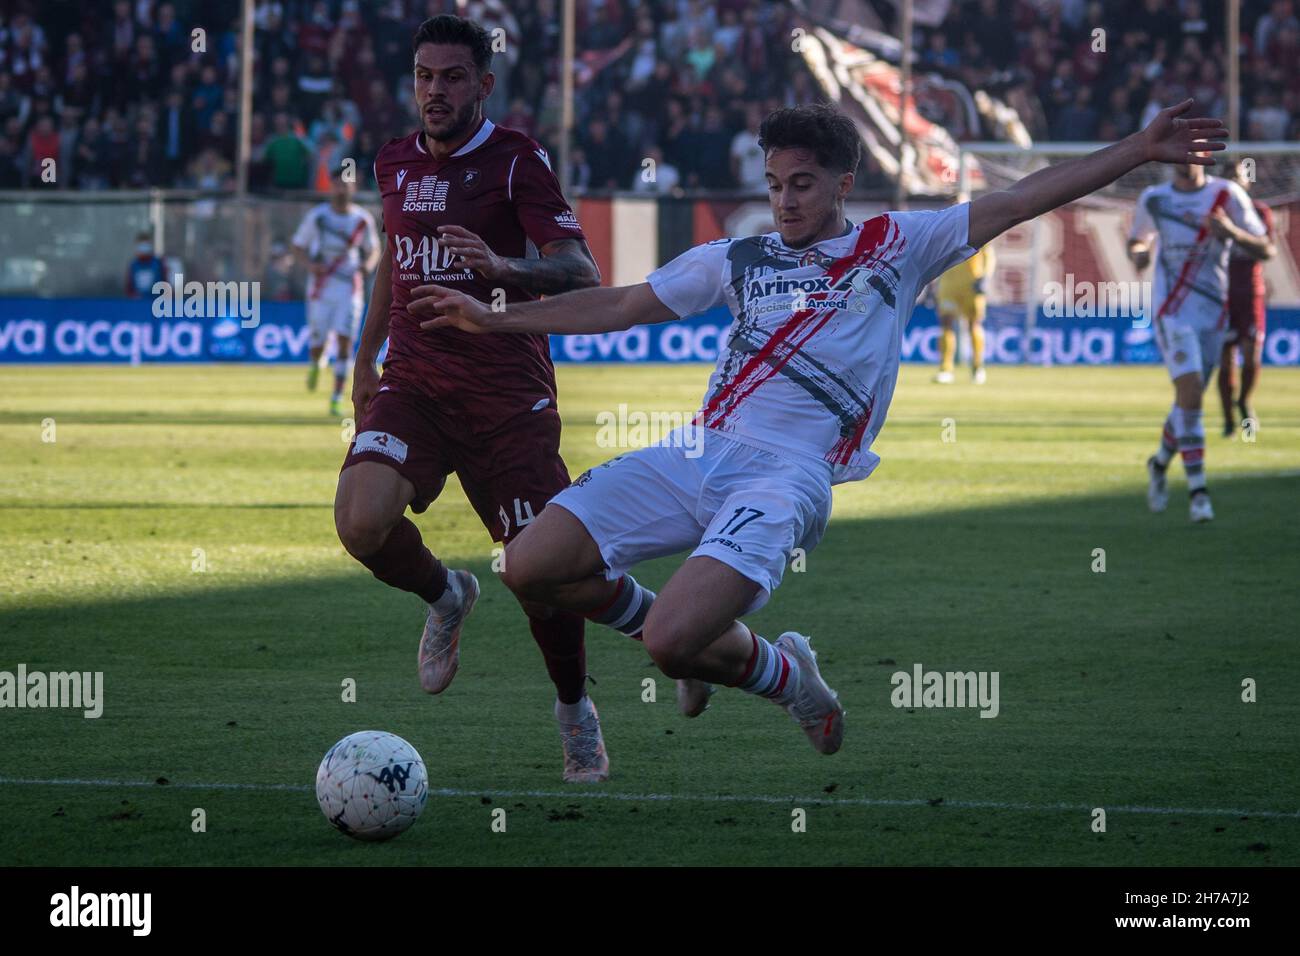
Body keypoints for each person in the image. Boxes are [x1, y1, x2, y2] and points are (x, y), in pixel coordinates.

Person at [409, 99, 1230, 755]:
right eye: (774, 183)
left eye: (802, 183)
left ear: (843, 182)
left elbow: (1022, 198)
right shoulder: (738, 256)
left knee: (669, 644)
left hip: (786, 476)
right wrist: (494, 317)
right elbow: (622, 305)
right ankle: (706, 639)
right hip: (698, 451)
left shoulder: (897, 245)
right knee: (530, 565)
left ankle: (787, 677)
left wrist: (1138, 147)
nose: (784, 199)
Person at [332, 15, 628, 783]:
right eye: (425, 76)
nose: (436, 90)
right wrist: (365, 359)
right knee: (361, 522)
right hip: (417, 385)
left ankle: (573, 711)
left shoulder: (514, 159)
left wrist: (501, 266)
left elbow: (580, 270)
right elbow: (394, 262)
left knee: (543, 576)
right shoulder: (392, 160)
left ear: (483, 85)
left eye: (452, 77)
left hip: (506, 397)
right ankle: (447, 593)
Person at [1128, 154, 1271, 522]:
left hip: (1213, 313)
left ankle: (1159, 464)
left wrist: (1232, 233)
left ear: (1205, 156)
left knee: (1186, 404)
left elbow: (1266, 248)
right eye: (1178, 148)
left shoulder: (1228, 196)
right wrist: (1140, 254)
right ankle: (1198, 494)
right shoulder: (1154, 198)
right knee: (1190, 394)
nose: (1186, 156)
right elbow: (1137, 241)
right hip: (1171, 311)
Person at [292, 175, 380, 415]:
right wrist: (311, 265)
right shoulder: (318, 217)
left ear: (354, 187)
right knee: (318, 342)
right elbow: (298, 246)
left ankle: (336, 397)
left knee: (345, 342)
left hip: (349, 288)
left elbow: (373, 250)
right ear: (331, 187)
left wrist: (368, 266)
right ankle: (316, 363)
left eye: (347, 184)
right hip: (321, 287)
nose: (342, 189)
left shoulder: (361, 219)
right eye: (338, 184)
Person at [1217, 162, 1277, 436]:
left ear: (1247, 182)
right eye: (1228, 177)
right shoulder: (1213, 213)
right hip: (1221, 291)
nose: (1233, 182)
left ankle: (1244, 400)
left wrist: (1233, 233)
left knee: (1251, 355)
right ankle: (1229, 418)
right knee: (1225, 357)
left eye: (1238, 177)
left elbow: (1267, 251)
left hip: (1250, 291)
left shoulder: (1259, 212)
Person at [933, 196, 995, 385]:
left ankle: (977, 367)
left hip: (971, 283)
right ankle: (946, 369)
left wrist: (985, 278)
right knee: (946, 323)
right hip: (949, 284)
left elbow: (990, 257)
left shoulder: (979, 228)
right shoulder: (942, 231)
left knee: (974, 325)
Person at [124, 231, 166, 299]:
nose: (143, 248)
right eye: (141, 245)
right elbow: (129, 289)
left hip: (156, 303)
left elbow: (164, 285)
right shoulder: (133, 265)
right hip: (137, 304)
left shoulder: (158, 264)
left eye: (146, 245)